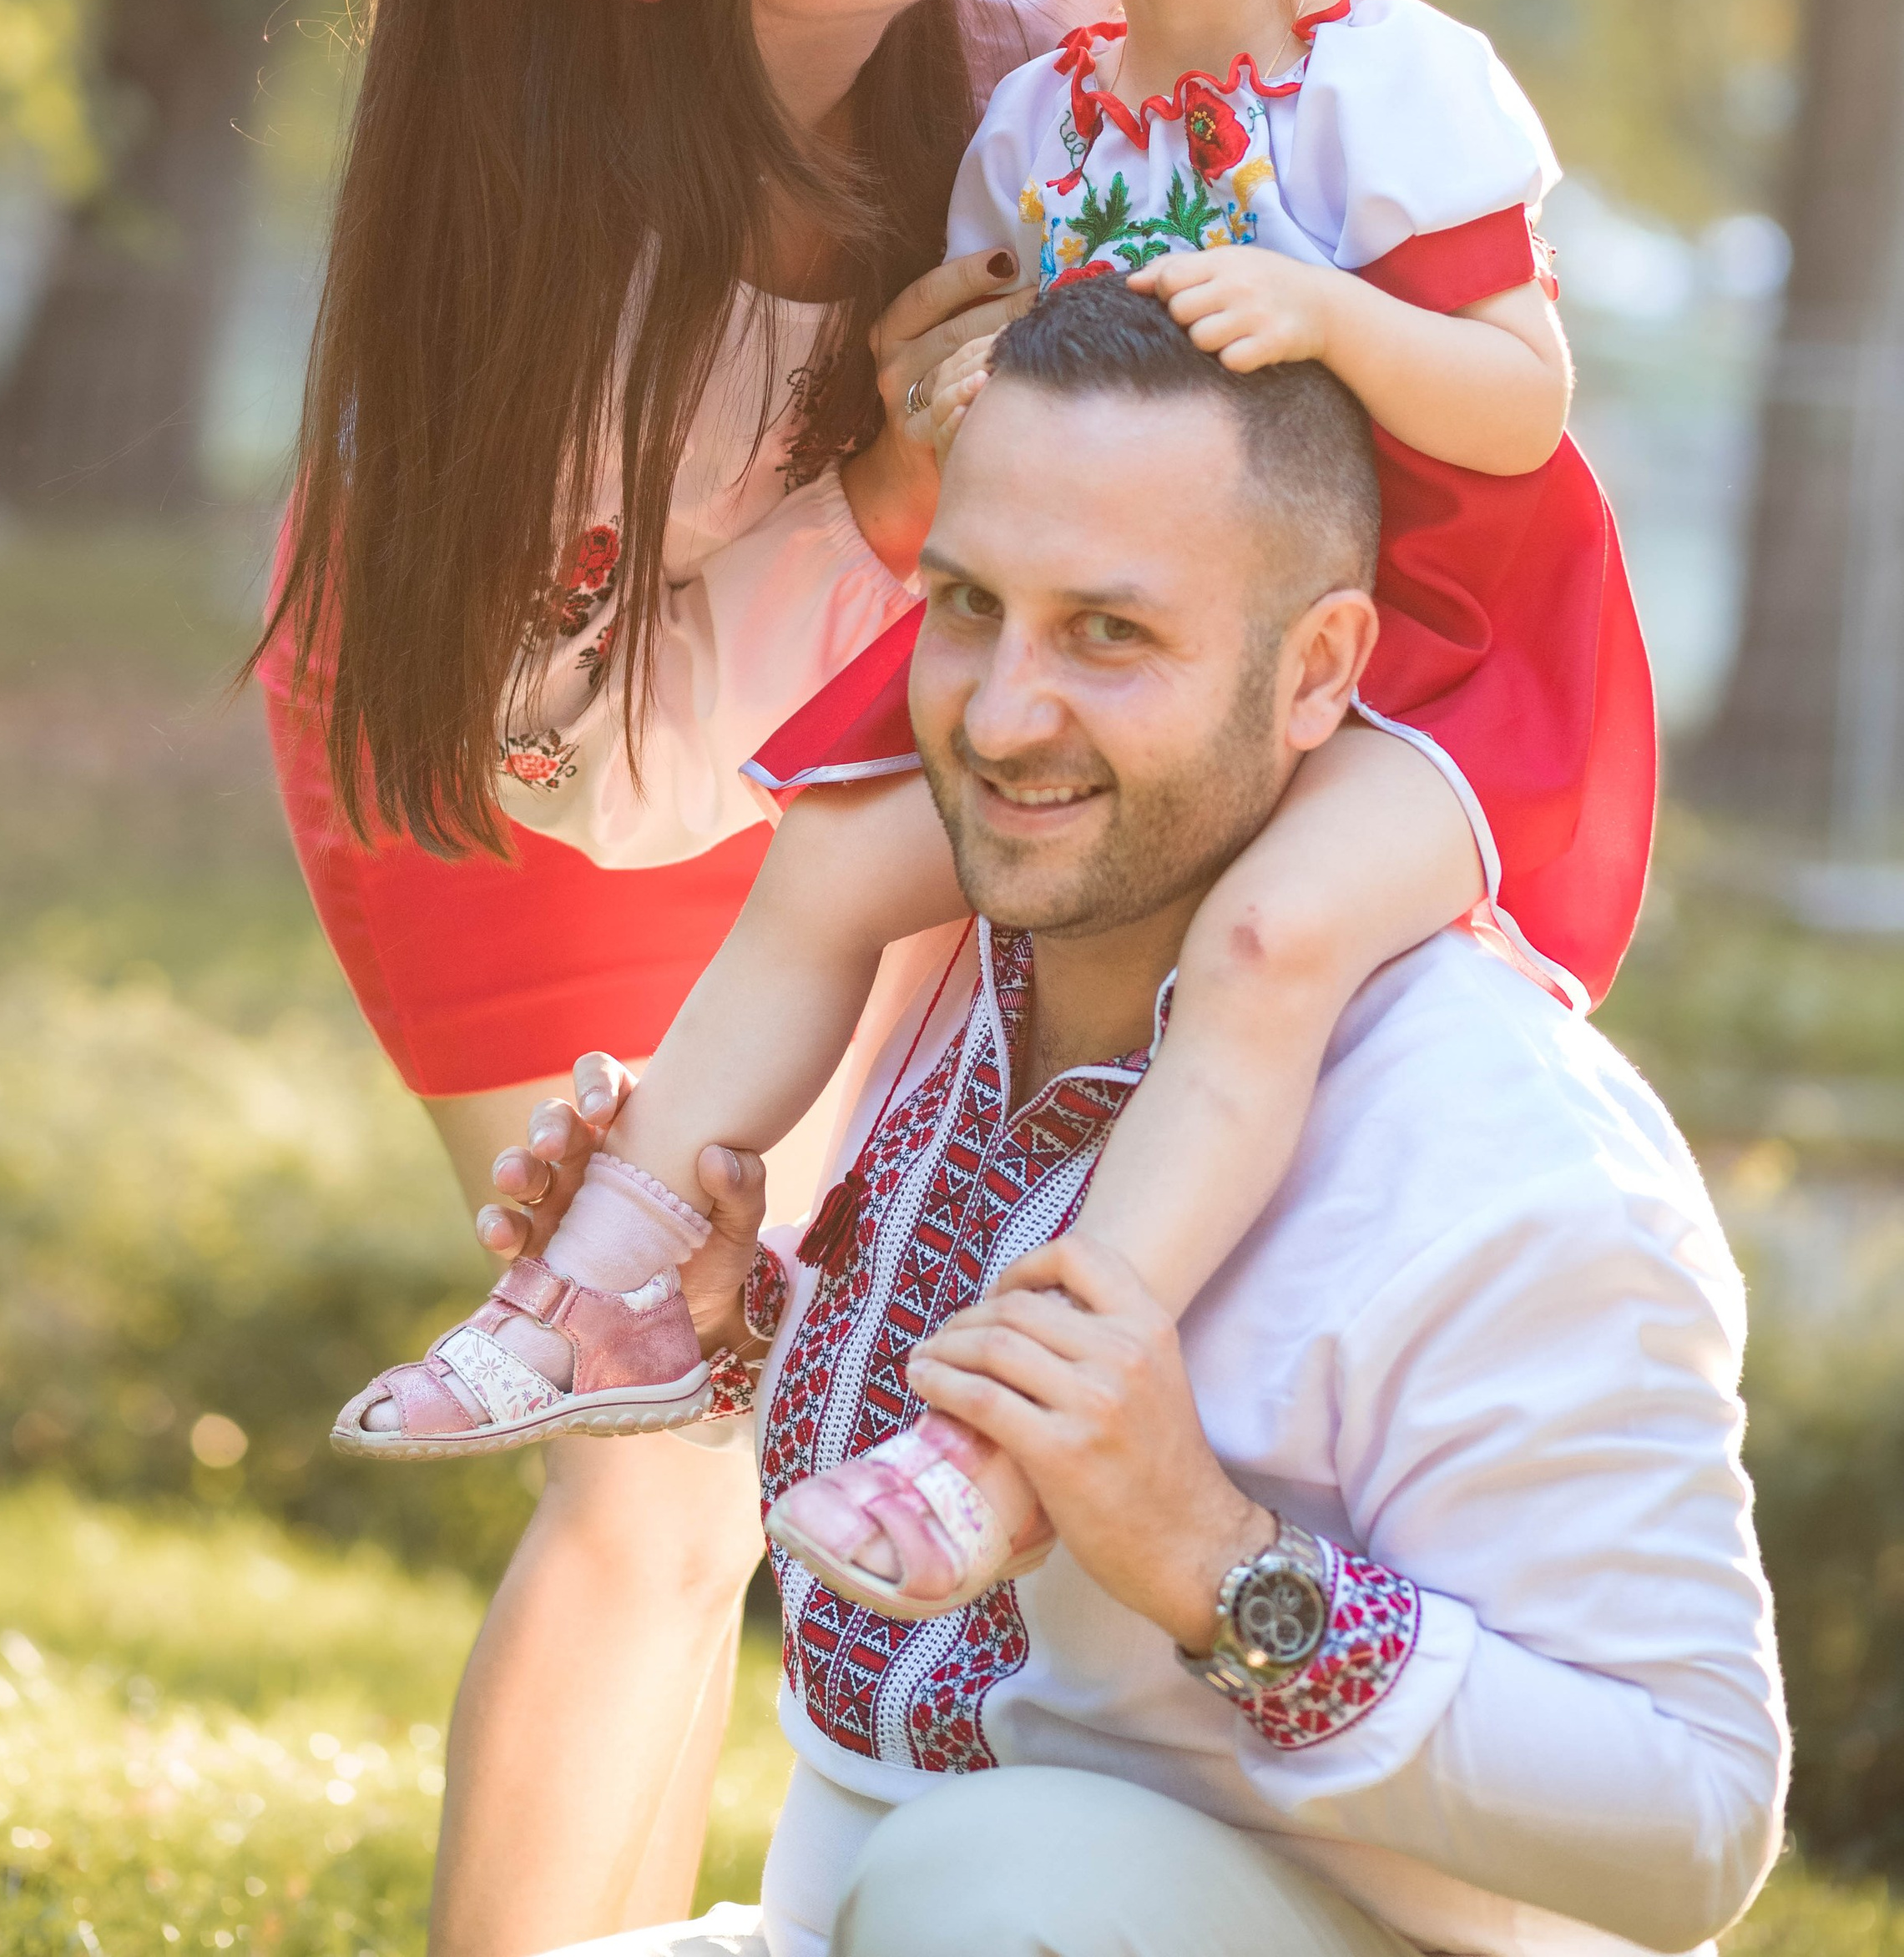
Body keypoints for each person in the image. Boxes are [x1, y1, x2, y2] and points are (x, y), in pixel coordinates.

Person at [339, 0, 1654, 1627]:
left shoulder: (1319, 57)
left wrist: (1320, 313)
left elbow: (1514, 395)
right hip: (964, 644)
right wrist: (907, 441)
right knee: (825, 869)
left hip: (1413, 641)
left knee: (1238, 971)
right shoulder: (1004, 139)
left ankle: (1010, 1432)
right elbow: (636, 727)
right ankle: (601, 1293)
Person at [494, 276, 1785, 1957]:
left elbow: (1694, 1821)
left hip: (1089, 1925)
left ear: (1316, 667)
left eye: (1109, 633)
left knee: (1000, 1889)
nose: (1002, 713)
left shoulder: (1501, 1157)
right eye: (966, 607)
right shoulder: (971, 971)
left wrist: (1206, 1556)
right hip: (854, 1923)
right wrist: (740, 1329)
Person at [256, 0, 1112, 1957]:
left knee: (766, 1410)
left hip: (821, 745)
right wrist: (875, 502)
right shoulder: (576, 291)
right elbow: (602, 774)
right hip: (496, 765)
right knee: (653, 1466)